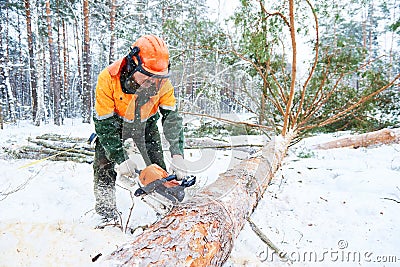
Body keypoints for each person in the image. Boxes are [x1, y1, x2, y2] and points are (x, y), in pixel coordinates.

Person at [93, 34, 186, 220]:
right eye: (149, 77)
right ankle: (106, 213)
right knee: (103, 163)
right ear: (133, 63)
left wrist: (178, 154)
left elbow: (172, 119)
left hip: (146, 124)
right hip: (115, 125)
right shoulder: (108, 79)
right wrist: (120, 158)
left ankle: (168, 210)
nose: (154, 83)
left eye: (158, 78)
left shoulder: (162, 83)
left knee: (157, 167)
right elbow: (104, 126)